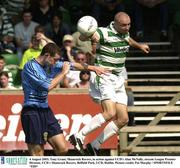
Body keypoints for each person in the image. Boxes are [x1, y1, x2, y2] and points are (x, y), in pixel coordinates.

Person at [69, 12, 150, 155]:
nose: (127, 27)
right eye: (124, 25)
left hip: (118, 79)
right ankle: (78, 136)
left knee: (123, 119)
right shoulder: (102, 33)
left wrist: (140, 46)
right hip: (105, 76)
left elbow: (128, 40)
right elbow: (88, 36)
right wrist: (86, 33)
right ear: (115, 23)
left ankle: (94, 145)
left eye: (129, 24)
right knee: (109, 113)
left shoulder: (124, 33)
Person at [21, 42, 107, 156]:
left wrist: (93, 68)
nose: (56, 63)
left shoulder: (50, 64)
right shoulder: (30, 66)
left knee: (62, 148)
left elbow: (73, 65)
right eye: (55, 60)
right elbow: (48, 87)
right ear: (47, 55)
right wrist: (63, 73)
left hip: (46, 110)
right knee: (38, 153)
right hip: (31, 111)